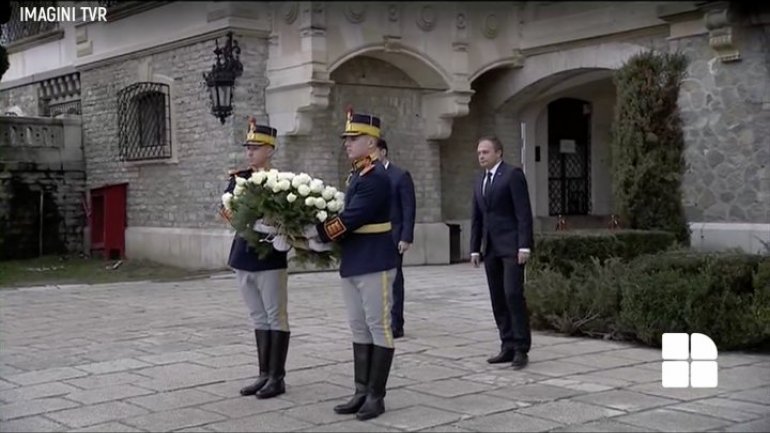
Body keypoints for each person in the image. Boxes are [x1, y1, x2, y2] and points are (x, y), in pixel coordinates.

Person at [303, 110, 399, 421]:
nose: (347, 143)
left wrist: (316, 234)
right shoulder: (357, 174)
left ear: (371, 142)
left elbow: (353, 216)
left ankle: (376, 395)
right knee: (359, 325)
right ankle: (361, 391)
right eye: (347, 138)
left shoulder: (376, 177)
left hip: (374, 259)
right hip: (356, 258)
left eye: (353, 138)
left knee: (378, 326)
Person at [219, 118, 291, 399]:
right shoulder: (239, 178)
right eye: (248, 147)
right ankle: (264, 374)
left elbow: (288, 217)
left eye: (256, 147)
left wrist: (271, 224)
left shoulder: (283, 182)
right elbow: (225, 209)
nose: (249, 152)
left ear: (270, 150)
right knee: (258, 316)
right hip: (243, 254)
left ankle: (277, 377)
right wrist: (247, 221)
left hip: (270, 255)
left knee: (276, 315)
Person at [469, 136, 534, 370]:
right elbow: (477, 217)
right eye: (479, 152)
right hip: (491, 249)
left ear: (499, 153)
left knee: (512, 295)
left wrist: (524, 245)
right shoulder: (479, 180)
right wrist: (475, 248)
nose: (481, 156)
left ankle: (520, 348)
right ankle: (506, 344)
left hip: (512, 248)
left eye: (486, 152)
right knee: (497, 298)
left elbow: (523, 213)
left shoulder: (512, 175)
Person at [376, 138, 416, 339]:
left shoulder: (399, 176)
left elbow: (409, 208)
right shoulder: (366, 174)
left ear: (383, 152)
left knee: (394, 280)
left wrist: (406, 236)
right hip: (374, 237)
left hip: (393, 236)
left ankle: (396, 323)